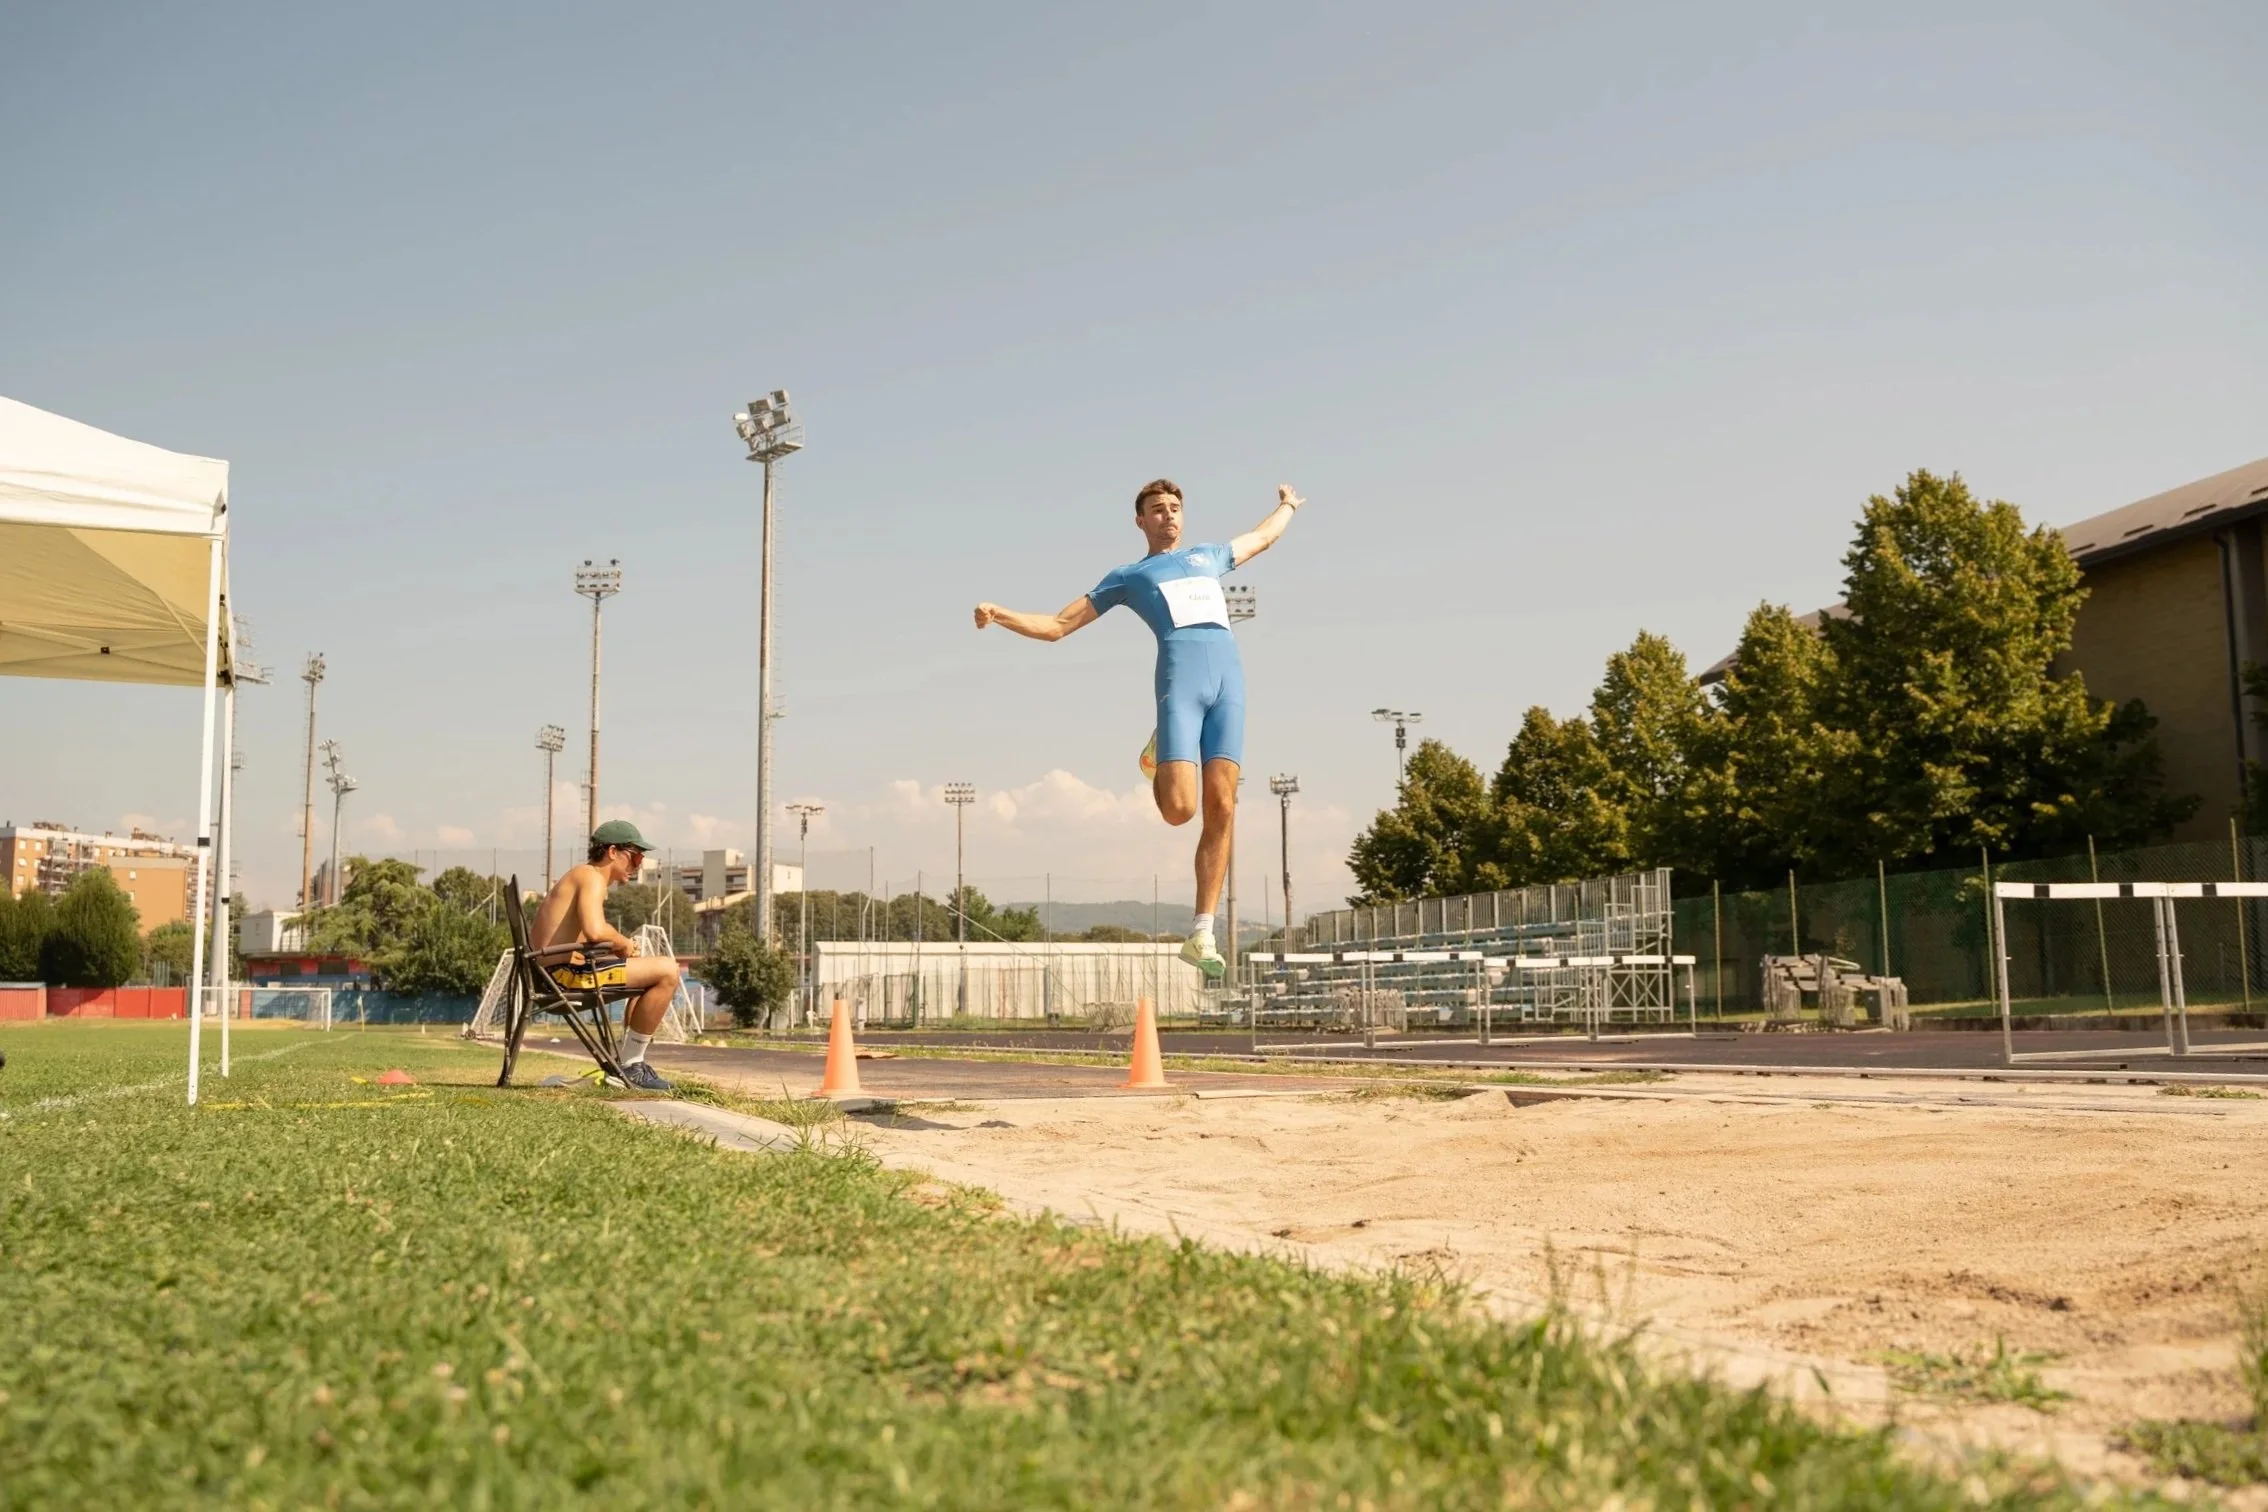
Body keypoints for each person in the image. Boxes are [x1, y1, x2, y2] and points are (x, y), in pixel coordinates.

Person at [973, 478, 1304, 979]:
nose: (1168, 515)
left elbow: (1261, 537)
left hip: (1230, 689)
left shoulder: (1210, 557)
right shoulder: (1130, 575)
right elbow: (1059, 626)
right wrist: (1000, 614)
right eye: (1157, 509)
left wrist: (1286, 507)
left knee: (1224, 806)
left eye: (1175, 508)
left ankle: (1201, 932)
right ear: (1140, 521)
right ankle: (1160, 747)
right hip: (1181, 687)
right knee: (1179, 810)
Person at [531, 818, 681, 1091]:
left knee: (646, 972)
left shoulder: (581, 875)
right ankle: (632, 1064)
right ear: (613, 852)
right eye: (635, 857)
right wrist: (622, 943)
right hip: (561, 978)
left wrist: (616, 950)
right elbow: (595, 930)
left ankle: (628, 1062)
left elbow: (578, 937)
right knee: (668, 970)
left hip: (552, 973)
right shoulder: (591, 877)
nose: (638, 866)